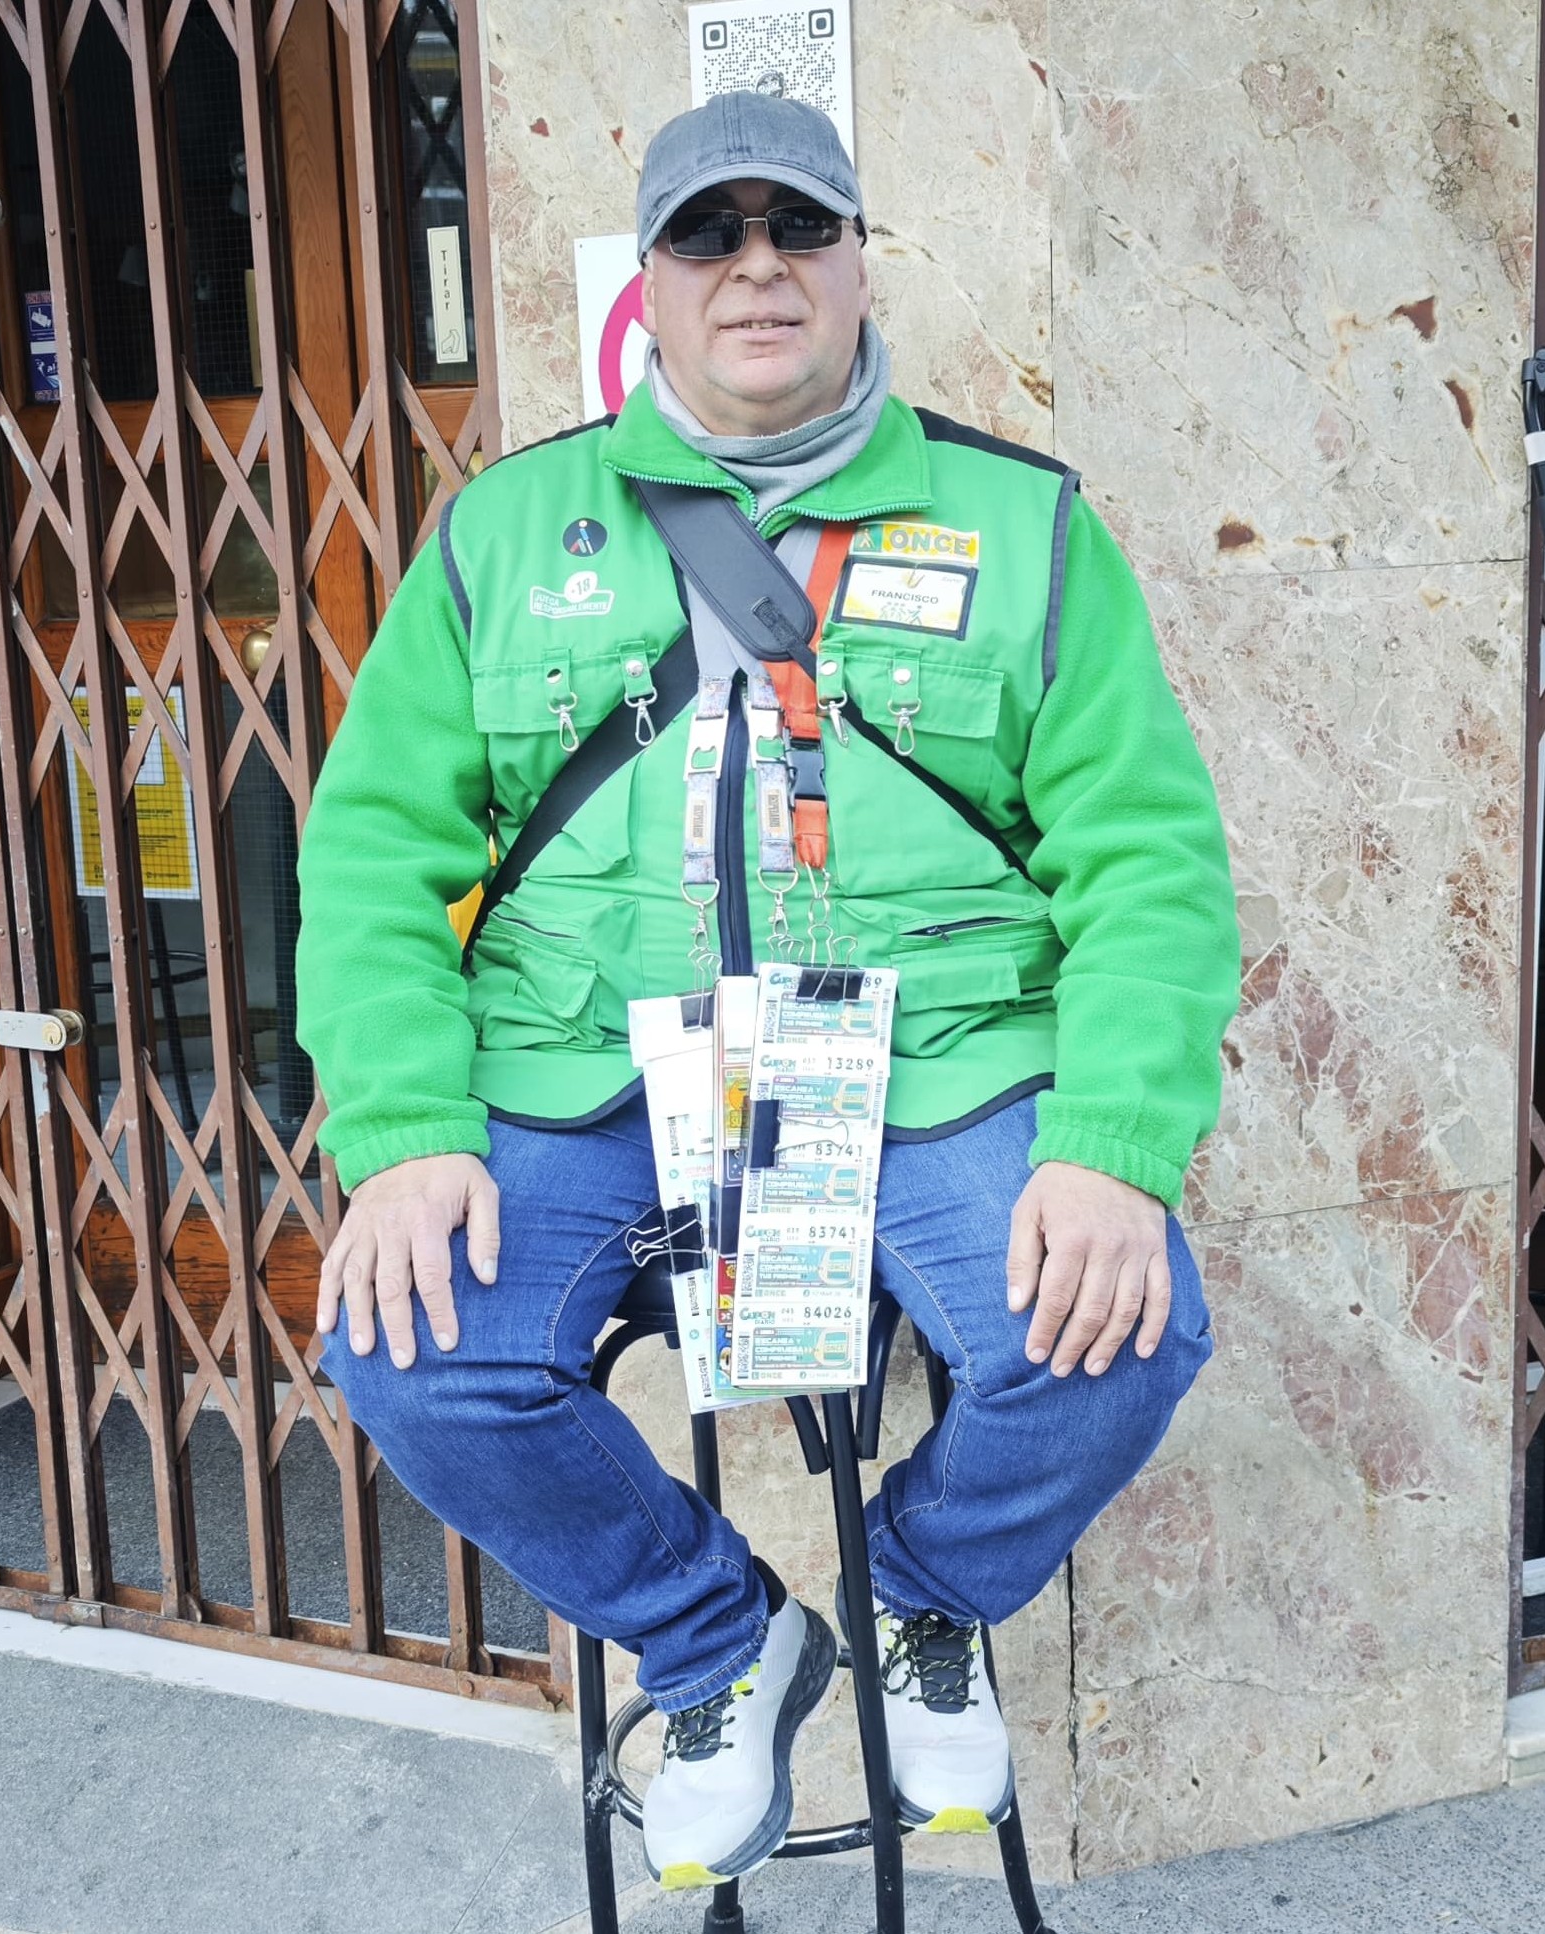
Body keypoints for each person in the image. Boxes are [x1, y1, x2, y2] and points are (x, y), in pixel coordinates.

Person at [293, 89, 1237, 1891]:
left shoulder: (1024, 527)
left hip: (937, 1062)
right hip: (585, 1065)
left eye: (796, 226)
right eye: (708, 233)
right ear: (650, 281)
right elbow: (367, 861)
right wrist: (405, 1129)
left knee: (1121, 1333)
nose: (757, 266)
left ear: (861, 257)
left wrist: (1115, 1139)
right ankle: (721, 1642)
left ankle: (920, 1596)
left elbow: (1149, 865)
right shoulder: (507, 533)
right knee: (412, 1353)